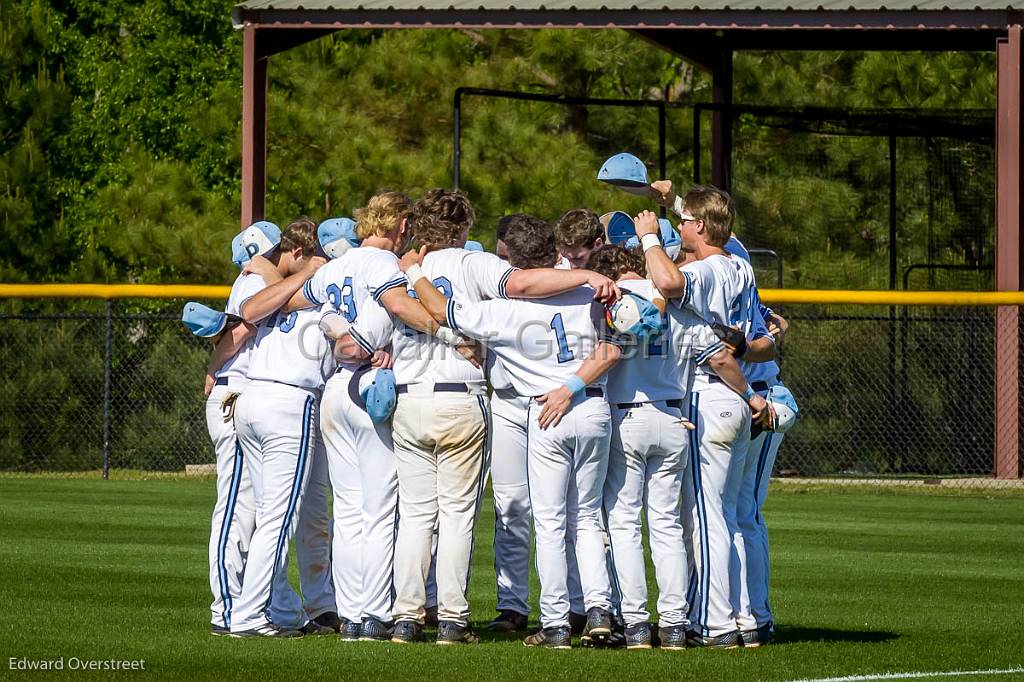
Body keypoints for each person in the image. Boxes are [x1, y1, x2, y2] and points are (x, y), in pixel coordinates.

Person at [388, 190, 620, 646]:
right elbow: (619, 340)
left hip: (440, 395)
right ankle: (591, 610)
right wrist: (593, 274)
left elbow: (449, 306)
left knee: (425, 515)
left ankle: (407, 616)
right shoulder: (586, 294)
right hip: (574, 401)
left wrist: (412, 270)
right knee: (583, 517)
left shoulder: (496, 307)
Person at [587, 244, 761, 650]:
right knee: (667, 526)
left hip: (625, 416)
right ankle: (674, 624)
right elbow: (720, 357)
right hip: (672, 418)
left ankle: (634, 623)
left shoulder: (604, 303)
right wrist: (752, 396)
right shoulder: (675, 306)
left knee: (626, 524)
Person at [634, 186, 774, 649]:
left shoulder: (711, 268)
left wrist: (651, 239)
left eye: (684, 222)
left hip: (707, 393)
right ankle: (744, 618)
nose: (679, 227)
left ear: (699, 226)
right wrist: (671, 205)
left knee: (706, 517)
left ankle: (715, 624)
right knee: (729, 516)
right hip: (736, 394)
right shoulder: (741, 266)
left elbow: (670, 284)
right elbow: (756, 336)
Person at [227, 218, 335, 638]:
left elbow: (252, 310)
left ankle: (284, 612)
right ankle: (250, 616)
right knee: (278, 518)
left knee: (268, 516)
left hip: (252, 398)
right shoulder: (322, 283)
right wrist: (305, 272)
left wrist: (282, 274)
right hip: (290, 401)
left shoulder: (274, 286)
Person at [196, 221, 279, 636]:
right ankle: (225, 606)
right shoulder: (251, 283)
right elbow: (236, 337)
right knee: (234, 506)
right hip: (234, 395)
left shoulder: (253, 278)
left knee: (252, 507)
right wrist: (213, 369)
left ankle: (252, 604)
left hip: (241, 394)